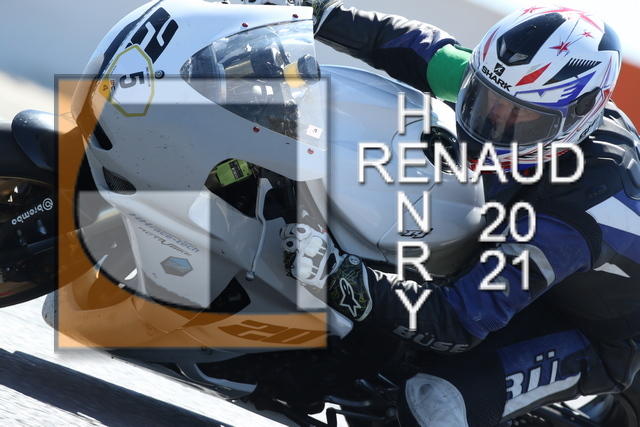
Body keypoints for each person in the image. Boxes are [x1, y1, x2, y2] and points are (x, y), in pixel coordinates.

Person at [279, 2, 640, 426]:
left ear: (577, 117)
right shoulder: (514, 83)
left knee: (437, 403)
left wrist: (342, 278)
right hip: (516, 248)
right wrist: (307, 10)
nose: (494, 121)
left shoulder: (589, 202)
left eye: (521, 117)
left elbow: (461, 318)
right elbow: (403, 43)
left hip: (594, 332)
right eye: (486, 100)